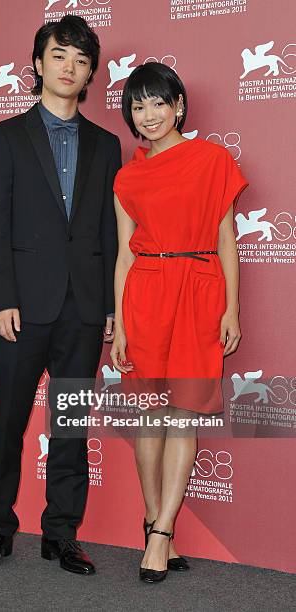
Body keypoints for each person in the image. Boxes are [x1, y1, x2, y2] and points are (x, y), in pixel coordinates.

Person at [0, 15, 121, 575]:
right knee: (6, 420)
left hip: (82, 308)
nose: (70, 67)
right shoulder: (4, 137)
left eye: (81, 61)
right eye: (60, 56)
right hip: (20, 310)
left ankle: (62, 534)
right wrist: (0, 299)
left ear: (89, 75)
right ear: (38, 64)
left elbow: (107, 231)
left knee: (70, 425)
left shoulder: (106, 146)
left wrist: (107, 307)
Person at [111, 62, 248, 583]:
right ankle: (154, 523)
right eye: (138, 106)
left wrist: (232, 306)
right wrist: (120, 323)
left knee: (182, 414)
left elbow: (226, 239)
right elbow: (125, 254)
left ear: (180, 106)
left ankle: (162, 532)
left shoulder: (213, 160)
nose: (148, 116)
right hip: (145, 292)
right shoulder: (128, 175)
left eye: (158, 103)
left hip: (198, 291)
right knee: (150, 417)